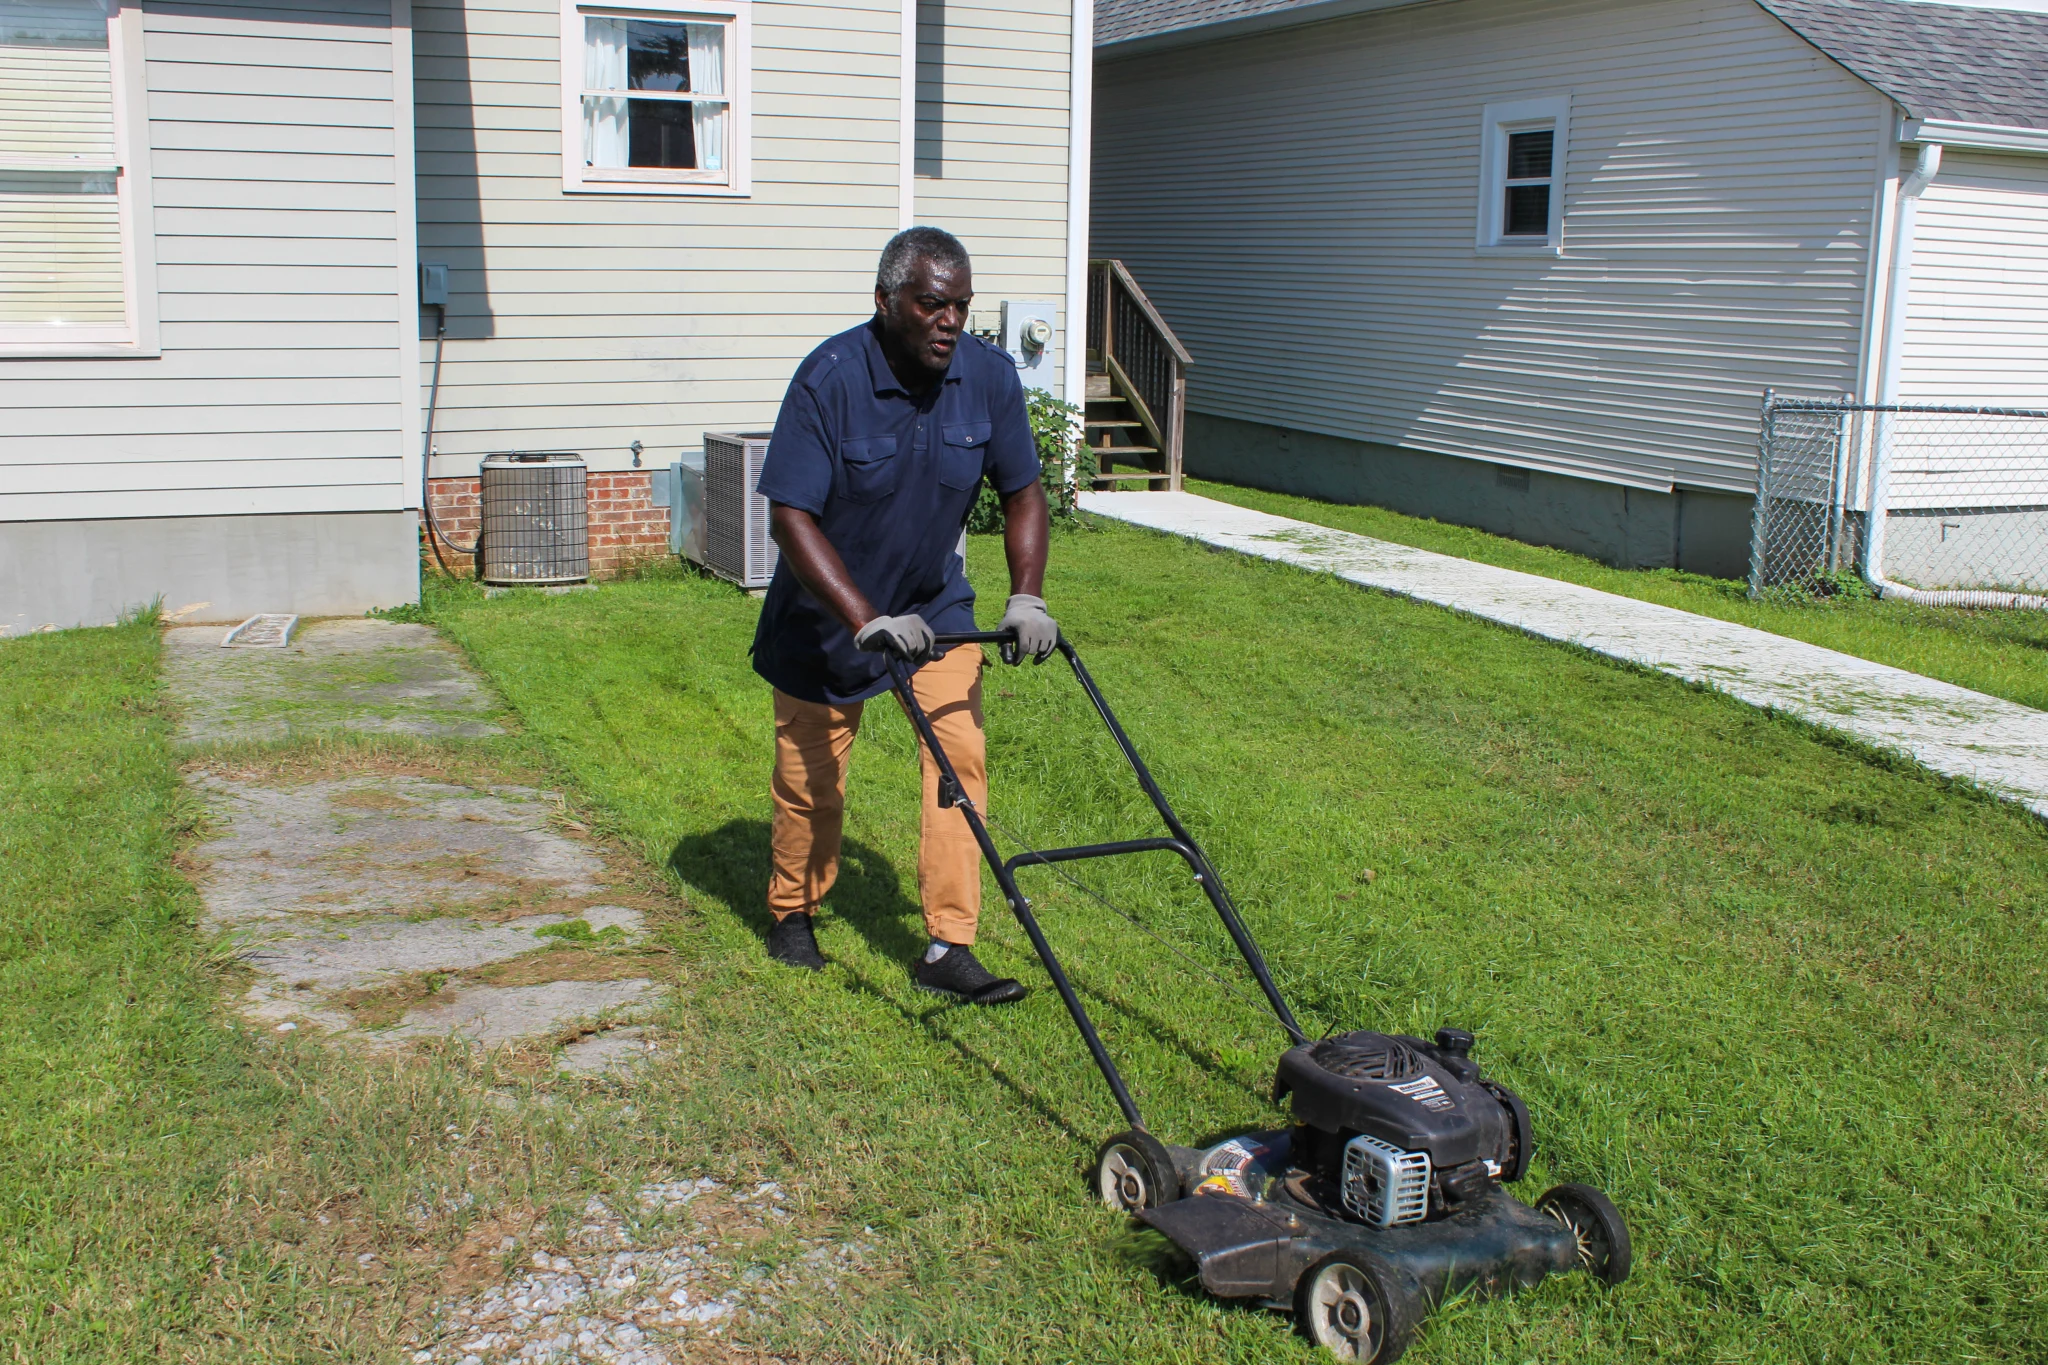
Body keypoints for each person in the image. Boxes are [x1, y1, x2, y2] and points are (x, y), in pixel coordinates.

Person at [748, 226, 1057, 1005]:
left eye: (960, 305)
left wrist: (1027, 592)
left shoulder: (987, 378)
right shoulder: (829, 380)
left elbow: (1022, 491)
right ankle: (794, 910)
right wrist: (861, 616)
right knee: (811, 781)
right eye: (931, 304)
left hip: (934, 607)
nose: (949, 320)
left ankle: (949, 944)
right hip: (828, 615)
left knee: (960, 763)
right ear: (886, 303)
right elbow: (790, 517)